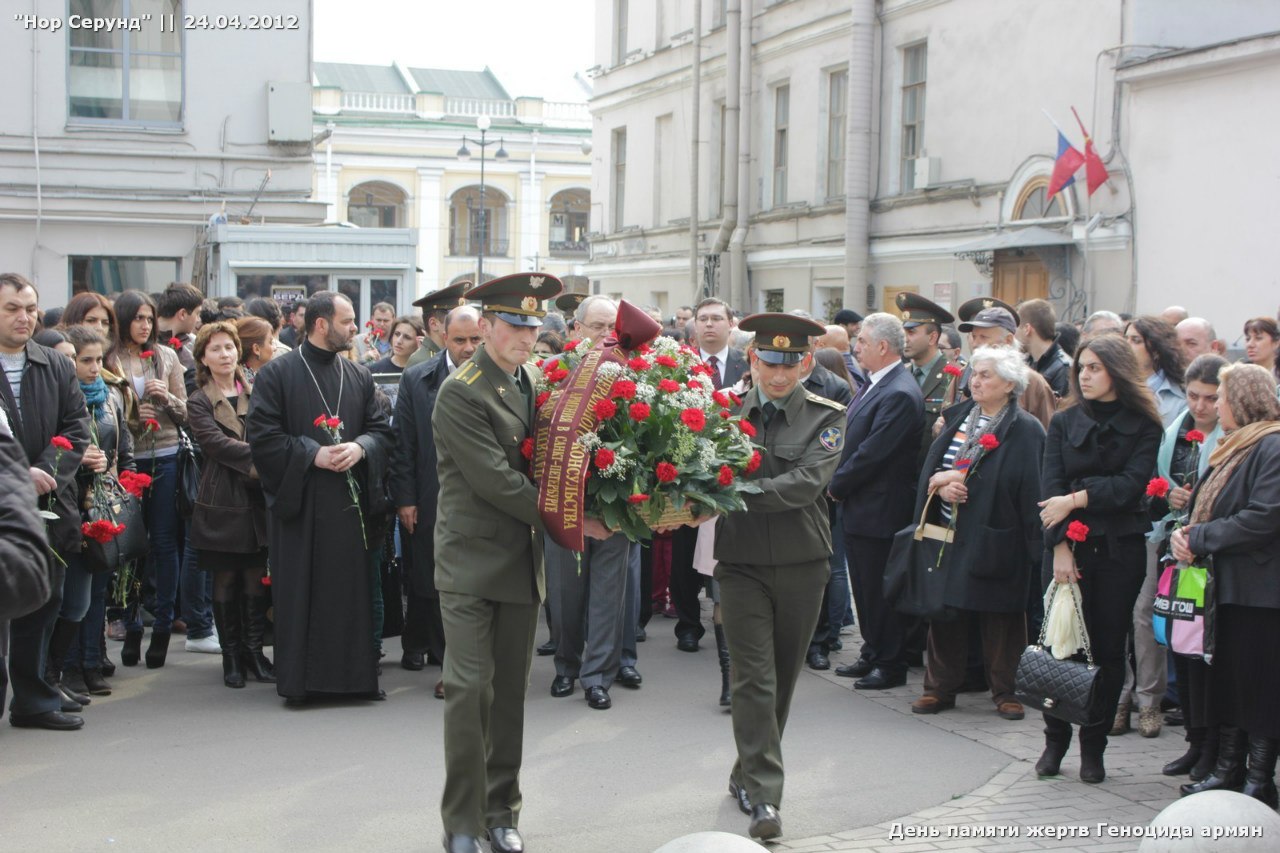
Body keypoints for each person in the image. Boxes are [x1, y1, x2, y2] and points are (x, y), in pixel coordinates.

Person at [432, 273, 580, 853]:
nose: (527, 335)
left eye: (533, 325)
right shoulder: (462, 391)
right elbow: (494, 479)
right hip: (471, 559)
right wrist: (570, 518)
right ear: (487, 326)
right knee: (471, 692)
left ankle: (502, 811)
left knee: (512, 694)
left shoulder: (535, 381)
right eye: (515, 325)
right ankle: (462, 821)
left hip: (520, 558)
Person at [714, 314, 845, 841]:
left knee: (783, 680)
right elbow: (701, 466)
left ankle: (746, 770)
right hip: (740, 562)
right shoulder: (724, 413)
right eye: (769, 362)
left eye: (790, 364)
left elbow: (805, 484)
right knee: (753, 677)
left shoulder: (827, 416)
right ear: (752, 359)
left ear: (807, 363)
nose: (778, 375)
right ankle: (766, 798)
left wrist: (729, 494)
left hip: (802, 563)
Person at [245, 291, 395, 704]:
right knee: (304, 592)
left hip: (350, 512)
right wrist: (313, 454)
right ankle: (304, 684)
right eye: (348, 321)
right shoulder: (277, 375)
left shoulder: (359, 376)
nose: (357, 329)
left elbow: (382, 430)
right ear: (321, 324)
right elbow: (261, 436)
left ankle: (355, 680)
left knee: (352, 593)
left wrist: (360, 447)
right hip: (303, 506)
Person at [1034, 333, 1163, 784]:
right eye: (1081, 368)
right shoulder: (1064, 421)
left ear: (1117, 371)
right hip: (1066, 551)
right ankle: (1054, 743)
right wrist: (1060, 548)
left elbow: (1130, 487)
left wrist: (1077, 499)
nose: (1085, 376)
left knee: (1108, 651)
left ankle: (1094, 747)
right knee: (1059, 647)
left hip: (1119, 551)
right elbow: (1048, 489)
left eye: (1095, 368)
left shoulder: (1145, 424)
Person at [908, 346, 1044, 720]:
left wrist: (1036, 549)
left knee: (1001, 619)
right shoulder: (959, 416)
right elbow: (933, 469)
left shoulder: (1026, 430)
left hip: (998, 536)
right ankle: (939, 688)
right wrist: (941, 485)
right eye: (974, 373)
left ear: (1010, 384)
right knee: (945, 613)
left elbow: (1031, 488)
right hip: (949, 534)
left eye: (986, 375)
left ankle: (1007, 691)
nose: (975, 380)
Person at [1171, 363, 1280, 807]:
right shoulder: (1236, 445)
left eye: (1221, 397)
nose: (1214, 406)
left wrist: (1199, 537)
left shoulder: (1271, 444)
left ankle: (1258, 777)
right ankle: (1227, 769)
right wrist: (1185, 529)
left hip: (1260, 590)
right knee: (1231, 681)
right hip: (1227, 586)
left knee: (1258, 684)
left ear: (1244, 400)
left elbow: (1264, 516)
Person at [0, 273, 90, 731]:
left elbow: (77, 427)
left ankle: (34, 700)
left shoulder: (53, 365)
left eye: (31, 308)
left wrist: (45, 473)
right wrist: (16, 476)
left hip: (49, 502)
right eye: (12, 308)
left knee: (45, 598)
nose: (24, 317)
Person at [543, 296, 637, 711]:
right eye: (596, 327)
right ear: (575, 330)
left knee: (608, 593)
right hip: (563, 503)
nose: (605, 336)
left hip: (615, 505)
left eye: (610, 328)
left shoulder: (632, 374)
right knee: (564, 592)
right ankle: (566, 665)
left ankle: (597, 675)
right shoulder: (553, 374)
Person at [392, 305, 483, 701]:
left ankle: (476, 663)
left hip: (484, 499)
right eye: (460, 340)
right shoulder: (417, 379)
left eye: (475, 340)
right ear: (442, 337)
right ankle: (449, 665)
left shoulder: (498, 378)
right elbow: (404, 445)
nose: (467, 348)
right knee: (436, 583)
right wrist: (406, 500)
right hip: (432, 498)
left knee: (478, 583)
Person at [829, 312, 924, 689]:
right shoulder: (877, 383)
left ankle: (891, 662)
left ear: (883, 347)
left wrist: (836, 485)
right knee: (865, 587)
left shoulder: (899, 391)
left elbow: (873, 453)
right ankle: (873, 651)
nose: (856, 347)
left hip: (880, 508)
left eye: (863, 342)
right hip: (863, 506)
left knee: (880, 589)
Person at [1148, 354, 1227, 781]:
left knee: (1204, 655)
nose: (1200, 406)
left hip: (1211, 561)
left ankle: (1210, 749)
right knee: (1182, 647)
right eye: (1193, 395)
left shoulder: (1232, 436)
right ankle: (1194, 745)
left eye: (1211, 398)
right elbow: (1161, 484)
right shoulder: (1178, 429)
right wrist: (1170, 497)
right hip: (1177, 552)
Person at [187, 321, 273, 689]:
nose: (225, 354)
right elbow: (214, 445)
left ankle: (255, 652)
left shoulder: (257, 388)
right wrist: (265, 460)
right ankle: (231, 656)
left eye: (229, 347)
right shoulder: (198, 399)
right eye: (216, 349)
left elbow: (273, 429)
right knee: (225, 577)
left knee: (255, 576)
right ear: (203, 357)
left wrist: (268, 458)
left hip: (257, 499)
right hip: (221, 496)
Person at [51, 326, 134, 701]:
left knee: (97, 589)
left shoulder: (111, 398)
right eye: (85, 360)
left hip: (103, 500)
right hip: (72, 501)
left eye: (98, 360)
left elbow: (124, 445)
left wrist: (124, 477)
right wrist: (80, 460)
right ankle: (67, 669)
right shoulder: (59, 400)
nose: (92, 368)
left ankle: (90, 662)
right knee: (73, 595)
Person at [111, 290, 188, 669]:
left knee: (163, 540)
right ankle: (131, 623)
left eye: (149, 318)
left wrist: (166, 399)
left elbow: (187, 410)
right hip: (127, 457)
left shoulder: (166, 356)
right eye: (137, 318)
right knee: (130, 544)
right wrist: (131, 415)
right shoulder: (111, 358)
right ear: (122, 320)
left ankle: (160, 627)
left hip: (167, 453)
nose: (144, 325)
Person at [669, 297, 749, 654]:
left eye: (718, 318)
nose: (710, 325)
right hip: (688, 472)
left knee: (728, 551)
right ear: (694, 325)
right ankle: (688, 626)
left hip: (732, 473)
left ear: (732, 324)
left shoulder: (748, 365)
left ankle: (731, 621)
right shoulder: (677, 366)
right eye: (703, 319)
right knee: (685, 553)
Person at [955, 302, 1057, 431]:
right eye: (974, 336)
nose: (975, 343)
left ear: (1008, 340)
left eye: (983, 337)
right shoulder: (963, 375)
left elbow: (1046, 437)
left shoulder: (1032, 382)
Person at [897, 292, 957, 467]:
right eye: (903, 332)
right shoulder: (900, 374)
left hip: (932, 476)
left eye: (911, 332)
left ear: (932, 337)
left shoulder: (955, 376)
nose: (904, 339)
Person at [1124, 315, 1186, 427]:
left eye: (1136, 340)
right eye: (1125, 339)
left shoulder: (1180, 394)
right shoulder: (1113, 384)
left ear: (1156, 350)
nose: (1126, 345)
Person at [407, 282, 473, 368]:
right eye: (453, 319)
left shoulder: (447, 356)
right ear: (434, 324)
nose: (461, 324)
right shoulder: (424, 363)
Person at [1016, 298, 1072, 399]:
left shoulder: (1063, 368)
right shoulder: (1026, 362)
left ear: (1027, 329)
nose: (1014, 334)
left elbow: (1059, 411)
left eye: (1016, 327)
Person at [156, 282, 204, 395]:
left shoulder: (193, 342)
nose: (198, 320)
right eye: (197, 313)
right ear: (182, 314)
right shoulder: (144, 342)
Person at [235, 316, 276, 384]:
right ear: (256, 349)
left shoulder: (262, 375)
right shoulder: (239, 382)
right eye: (270, 342)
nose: (275, 348)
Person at [1242, 316, 1279, 381]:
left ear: (1276, 343)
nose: (1250, 344)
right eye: (1248, 339)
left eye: (1258, 338)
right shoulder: (1239, 375)